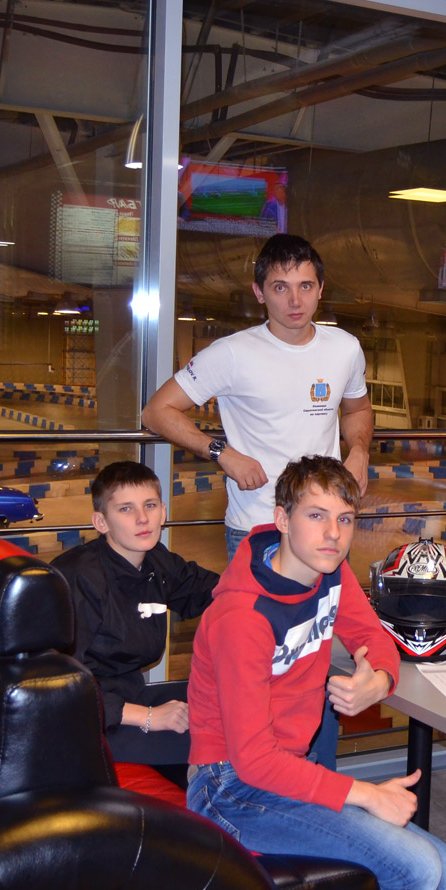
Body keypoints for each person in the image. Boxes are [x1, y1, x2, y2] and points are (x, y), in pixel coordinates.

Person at [186, 456, 446, 890]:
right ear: (282, 519)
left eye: (345, 519)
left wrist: (377, 680)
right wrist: (366, 794)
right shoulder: (243, 617)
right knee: (418, 873)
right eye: (316, 516)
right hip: (228, 786)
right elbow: (253, 762)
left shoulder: (329, 573)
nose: (333, 534)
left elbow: (373, 637)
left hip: (282, 771)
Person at [141, 232, 372, 768]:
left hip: (322, 534)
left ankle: (316, 784)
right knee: (264, 673)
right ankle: (251, 779)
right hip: (257, 532)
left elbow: (358, 409)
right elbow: (157, 411)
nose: (294, 300)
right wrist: (221, 452)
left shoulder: (344, 348)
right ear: (259, 291)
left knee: (315, 668)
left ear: (321, 289)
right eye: (280, 287)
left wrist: (359, 451)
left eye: (305, 286)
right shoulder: (233, 353)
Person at [51, 460, 218, 766]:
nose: (143, 518)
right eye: (126, 509)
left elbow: (214, 591)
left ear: (163, 513)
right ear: (101, 522)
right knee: (218, 744)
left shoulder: (156, 561)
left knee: (226, 706)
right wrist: (150, 717)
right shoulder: (80, 579)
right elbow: (60, 684)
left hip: (127, 695)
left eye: (150, 505)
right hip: (84, 721)